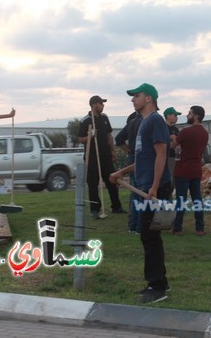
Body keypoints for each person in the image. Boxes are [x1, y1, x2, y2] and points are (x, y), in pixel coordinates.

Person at [109, 83, 171, 304]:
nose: (133, 99)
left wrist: (154, 186)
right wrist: (121, 172)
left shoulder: (154, 120)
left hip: (156, 188)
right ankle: (158, 283)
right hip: (146, 187)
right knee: (149, 237)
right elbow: (143, 160)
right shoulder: (144, 123)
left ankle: (157, 287)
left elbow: (161, 155)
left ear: (149, 98)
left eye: (137, 96)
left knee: (150, 237)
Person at [78, 95, 124, 218]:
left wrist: (113, 152)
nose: (103, 106)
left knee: (112, 181)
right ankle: (95, 210)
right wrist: (91, 136)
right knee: (93, 184)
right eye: (101, 104)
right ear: (94, 105)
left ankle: (116, 206)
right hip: (92, 156)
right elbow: (81, 139)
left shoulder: (104, 118)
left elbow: (109, 136)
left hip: (106, 156)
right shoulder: (85, 120)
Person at [172, 105, 209, 236]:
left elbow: (173, 146)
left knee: (181, 200)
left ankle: (177, 228)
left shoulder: (185, 132)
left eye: (190, 113)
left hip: (182, 170)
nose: (187, 115)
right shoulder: (205, 133)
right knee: (197, 199)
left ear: (196, 116)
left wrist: (172, 138)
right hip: (196, 170)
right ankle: (200, 228)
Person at [115, 111, 144, 234]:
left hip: (132, 157)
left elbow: (118, 139)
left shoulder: (131, 123)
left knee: (134, 194)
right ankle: (140, 227)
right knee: (142, 193)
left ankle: (132, 226)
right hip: (143, 159)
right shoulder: (146, 122)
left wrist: (129, 151)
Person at [163, 107, 181, 187]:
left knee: (174, 179)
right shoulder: (162, 128)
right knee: (168, 179)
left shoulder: (175, 129)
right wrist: (173, 140)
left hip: (175, 157)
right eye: (175, 115)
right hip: (167, 157)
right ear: (168, 116)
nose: (177, 118)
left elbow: (178, 143)